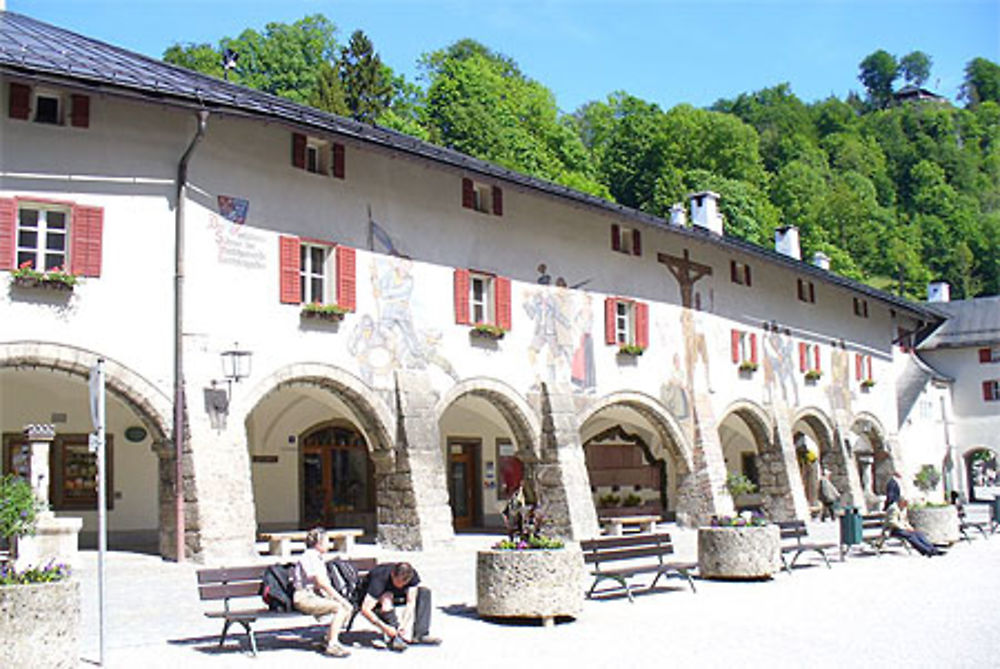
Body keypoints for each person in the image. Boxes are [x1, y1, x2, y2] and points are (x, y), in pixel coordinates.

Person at [291, 528, 353, 657]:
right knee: (340, 608)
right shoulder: (310, 557)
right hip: (304, 597)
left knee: (345, 609)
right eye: (326, 541)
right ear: (318, 544)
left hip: (311, 595)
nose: (328, 544)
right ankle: (332, 644)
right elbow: (321, 583)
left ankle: (328, 638)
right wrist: (341, 600)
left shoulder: (316, 557)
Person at [359, 561, 441, 651]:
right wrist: (385, 628)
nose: (401, 585)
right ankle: (394, 636)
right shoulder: (380, 578)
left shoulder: (411, 575)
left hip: (396, 596)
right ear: (393, 574)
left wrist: (404, 625)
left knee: (424, 592)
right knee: (387, 597)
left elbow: (411, 602)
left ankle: (421, 635)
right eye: (398, 582)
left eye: (404, 583)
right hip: (373, 597)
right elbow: (365, 609)